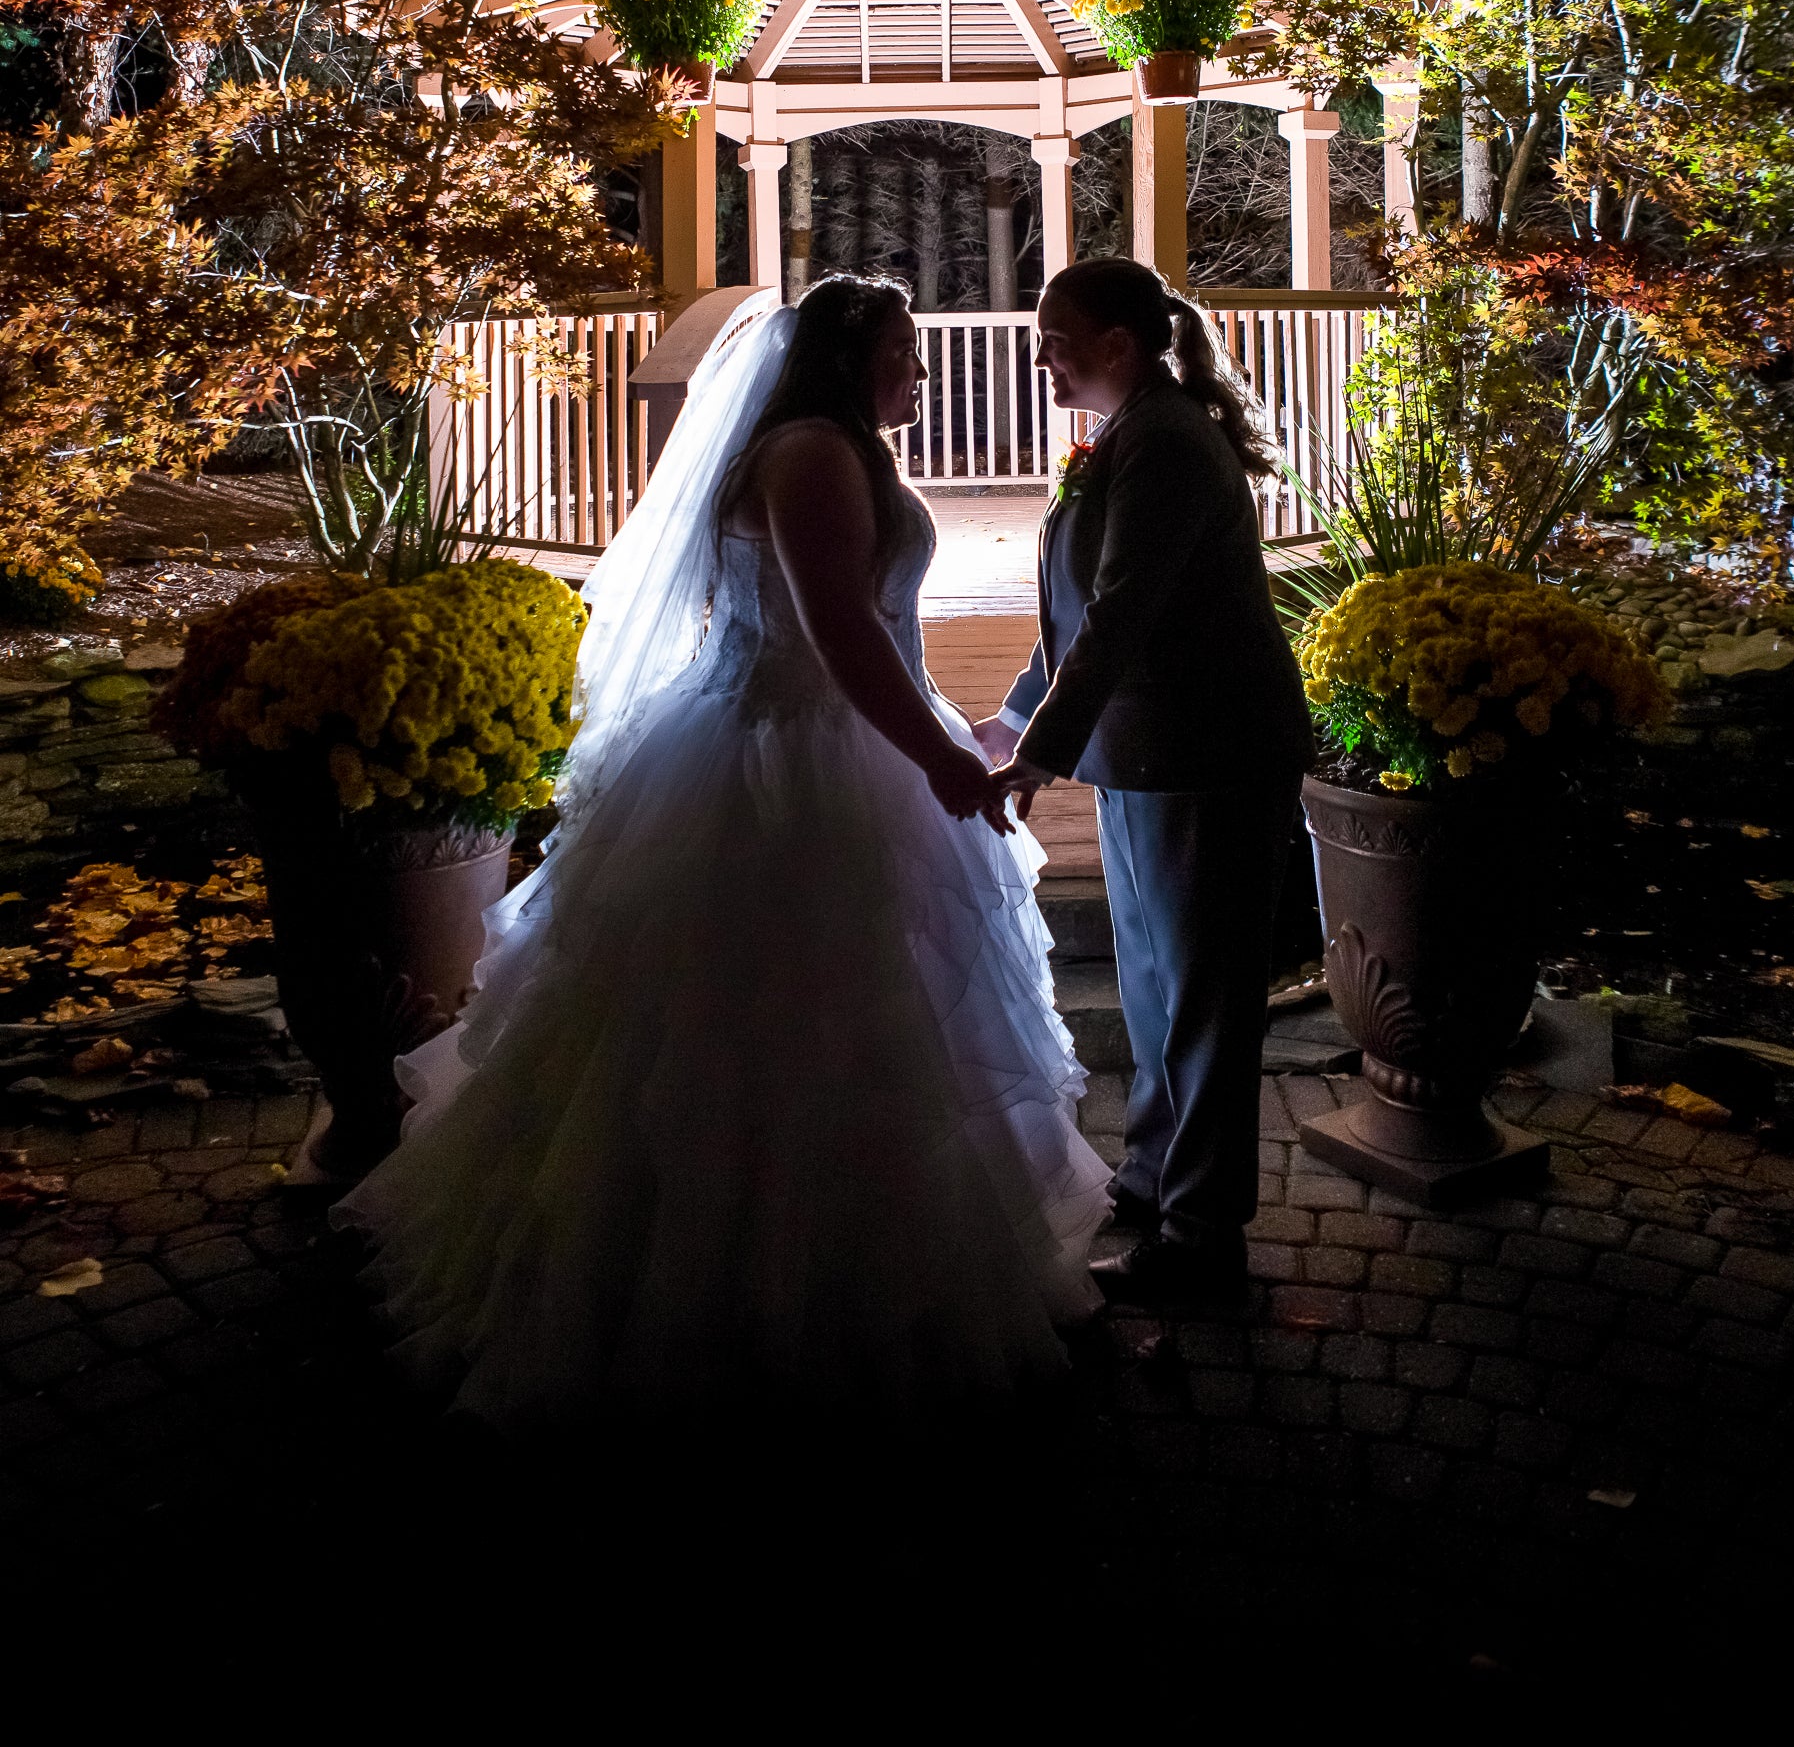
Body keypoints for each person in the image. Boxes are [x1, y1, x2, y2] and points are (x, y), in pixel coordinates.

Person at [333, 276, 1109, 1421]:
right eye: (905, 350)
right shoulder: (808, 455)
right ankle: (713, 1292)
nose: (923, 371)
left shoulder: (831, 447)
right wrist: (941, 761)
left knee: (858, 1019)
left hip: (840, 735)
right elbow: (838, 629)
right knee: (764, 1026)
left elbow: (873, 627)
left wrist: (945, 726)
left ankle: (852, 1263)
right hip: (785, 756)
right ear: (851, 358)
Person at [977, 259, 1314, 1309]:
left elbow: (1124, 607)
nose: (1040, 353)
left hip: (1206, 750)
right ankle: (1155, 1178)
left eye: (1054, 334)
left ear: (1117, 345)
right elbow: (1079, 609)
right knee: (1156, 984)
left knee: (1204, 997)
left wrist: (1040, 748)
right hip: (1145, 753)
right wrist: (1015, 711)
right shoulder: (1130, 436)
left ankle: (1201, 1233)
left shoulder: (1164, 442)